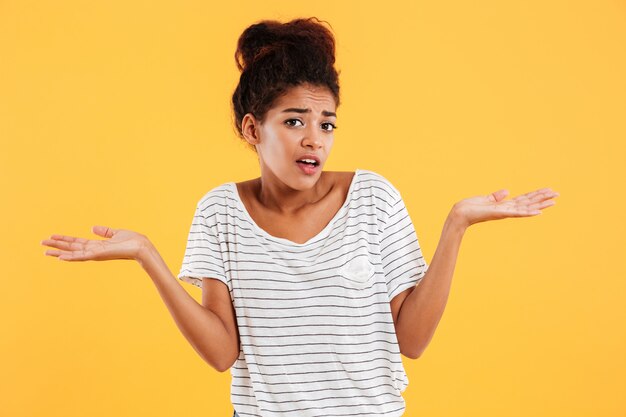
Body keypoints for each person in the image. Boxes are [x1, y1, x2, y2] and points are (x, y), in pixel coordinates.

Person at [40, 17, 559, 417]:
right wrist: (146, 255)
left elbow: (412, 342)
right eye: (294, 121)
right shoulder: (221, 211)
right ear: (252, 129)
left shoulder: (373, 199)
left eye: (327, 123)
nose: (315, 138)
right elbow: (223, 354)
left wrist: (457, 224)